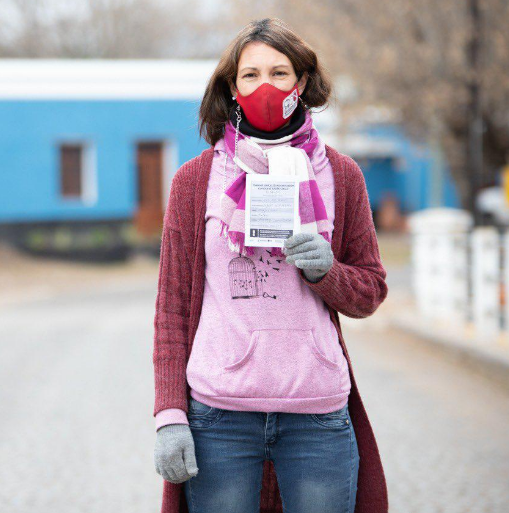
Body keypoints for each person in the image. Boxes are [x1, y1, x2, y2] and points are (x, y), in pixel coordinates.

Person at [152, 18, 389, 513]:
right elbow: (171, 309)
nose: (266, 86)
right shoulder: (194, 181)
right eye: (251, 74)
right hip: (219, 415)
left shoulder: (341, 175)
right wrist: (170, 415)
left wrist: (328, 272)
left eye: (279, 73)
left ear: (301, 83)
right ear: (232, 88)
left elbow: (369, 291)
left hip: (317, 415)